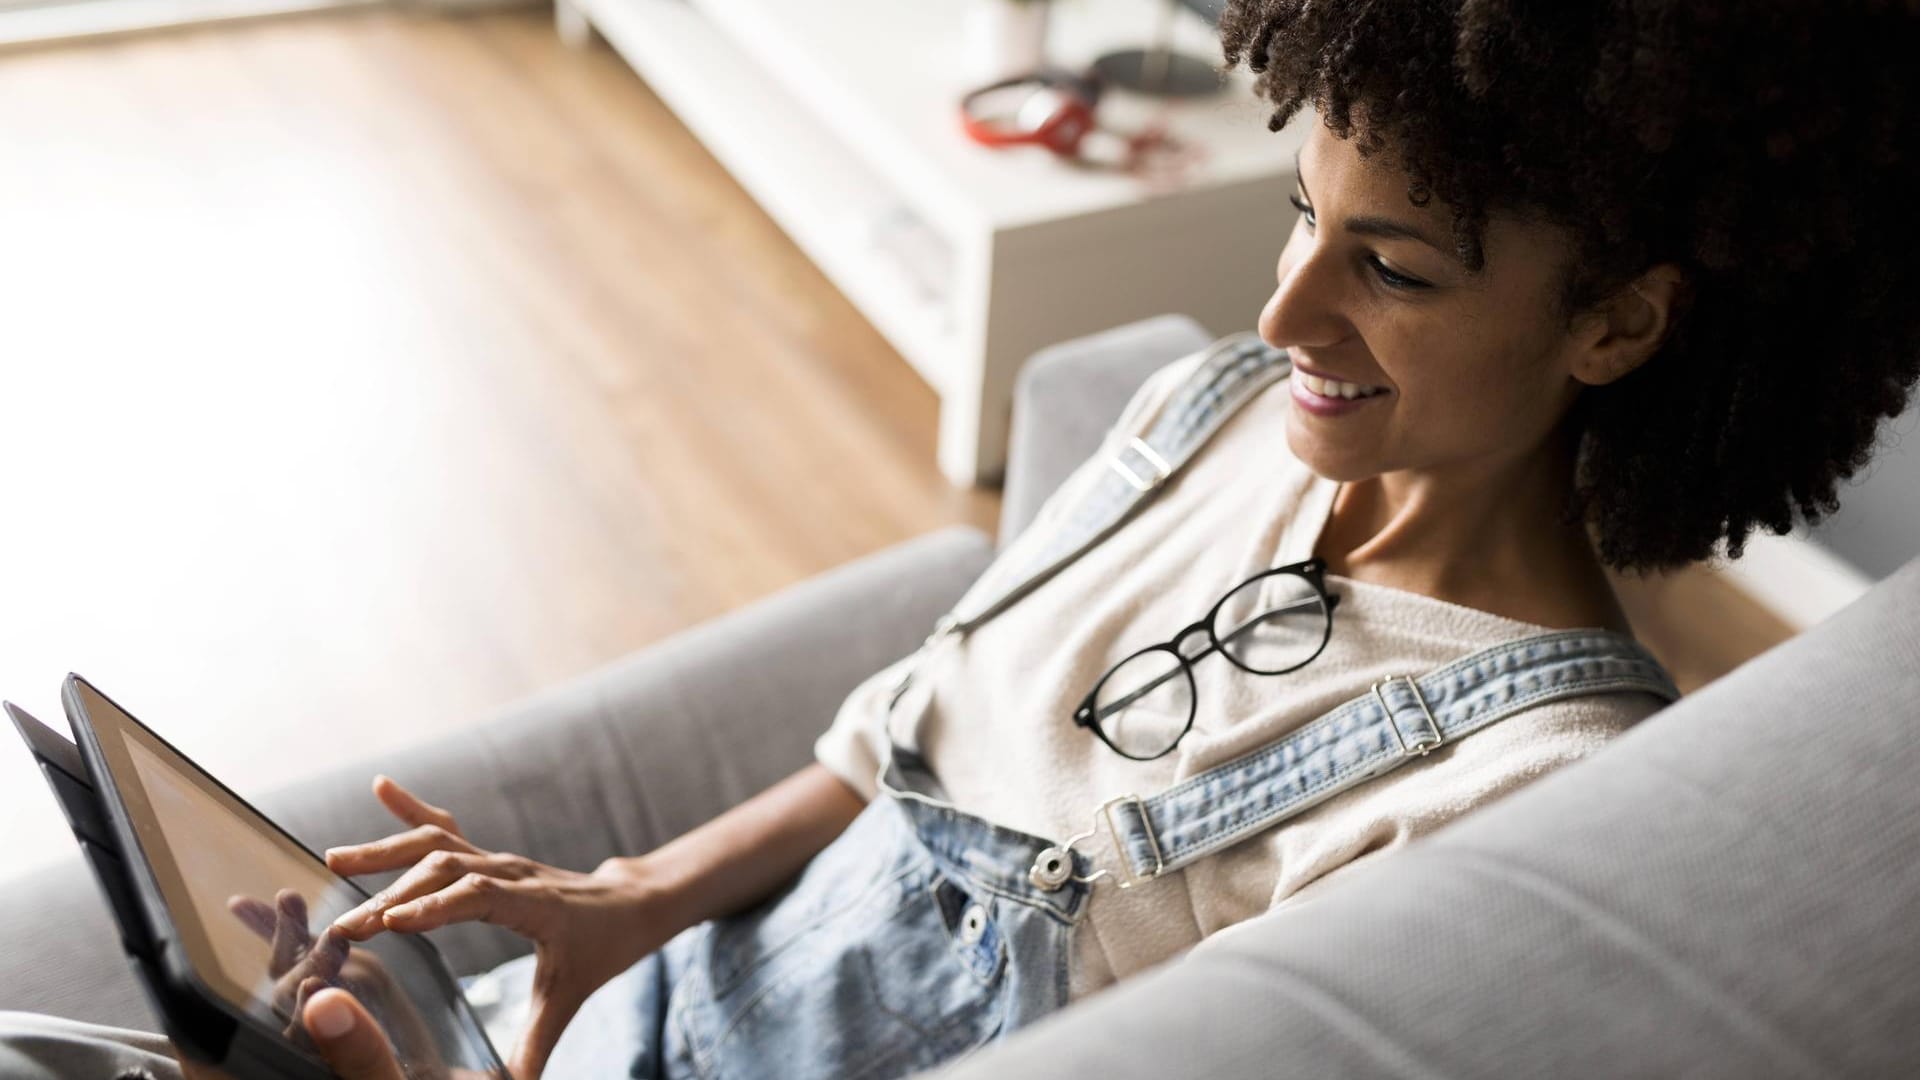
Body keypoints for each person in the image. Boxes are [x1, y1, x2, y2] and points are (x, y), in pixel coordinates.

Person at [5, 1, 1917, 1077]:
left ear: (1623, 321)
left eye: (1390, 269)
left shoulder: (1525, 782)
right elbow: (917, 721)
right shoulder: (1217, 427)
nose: (1284, 317)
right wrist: (632, 897)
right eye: (1301, 218)